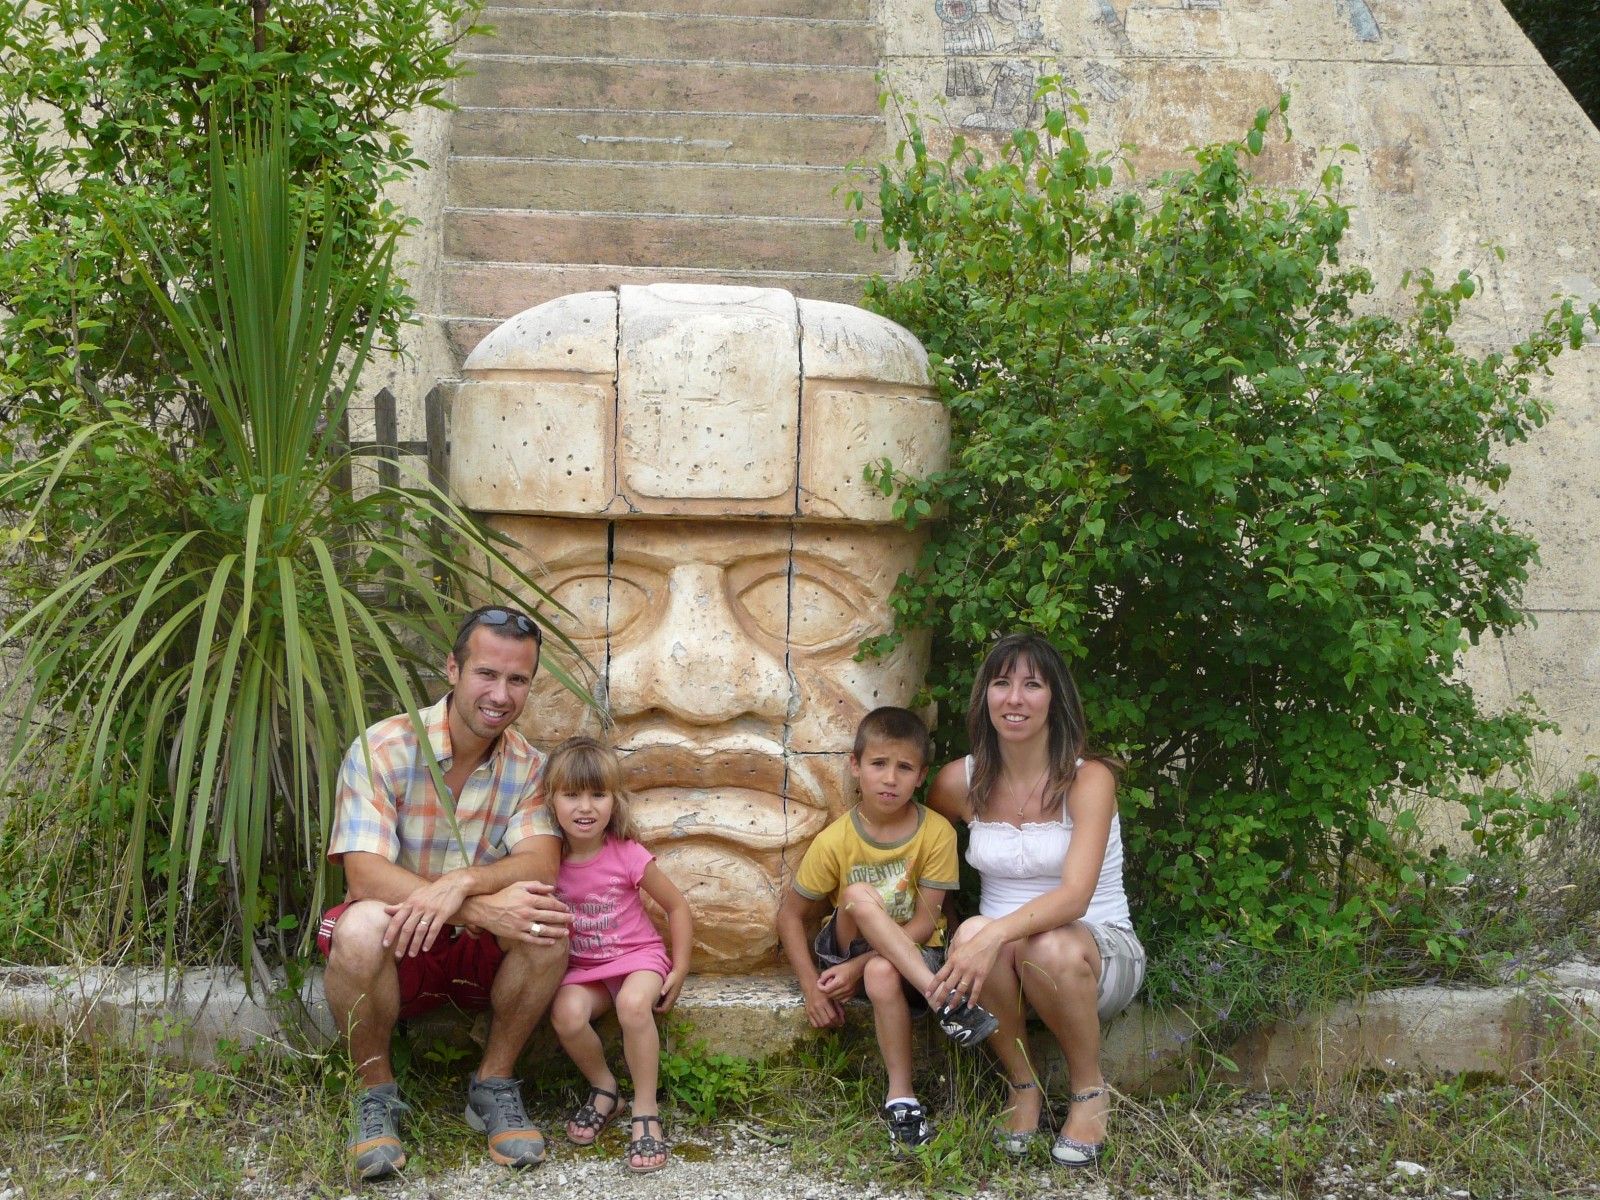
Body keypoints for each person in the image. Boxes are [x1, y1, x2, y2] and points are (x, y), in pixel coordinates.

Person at [319, 605, 572, 1181]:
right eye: (487, 673)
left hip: (476, 949)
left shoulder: (529, 766)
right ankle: (376, 1096)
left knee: (547, 924)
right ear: (452, 668)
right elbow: (364, 872)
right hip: (399, 938)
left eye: (517, 680)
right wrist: (477, 903)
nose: (500, 694)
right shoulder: (383, 747)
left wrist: (463, 883)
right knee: (356, 927)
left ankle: (493, 1083)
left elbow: (541, 860)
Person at [926, 631, 1146, 1168]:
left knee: (1038, 944)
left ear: (1055, 699)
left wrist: (992, 930)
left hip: (1093, 952)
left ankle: (1091, 1093)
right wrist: (952, 929)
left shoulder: (1087, 779)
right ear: (985, 697)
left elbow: (1074, 897)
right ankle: (1022, 1087)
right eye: (1002, 684)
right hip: (1000, 967)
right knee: (981, 934)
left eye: (1032, 685)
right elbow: (926, 860)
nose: (1015, 699)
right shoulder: (959, 781)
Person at [775, 706, 992, 1152]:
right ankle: (945, 1001)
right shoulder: (836, 839)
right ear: (856, 767)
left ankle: (901, 1099)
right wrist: (810, 988)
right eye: (878, 764)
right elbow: (790, 915)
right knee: (857, 893)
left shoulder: (935, 833)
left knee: (879, 973)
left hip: (914, 957)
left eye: (904, 767)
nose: (890, 778)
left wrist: (862, 966)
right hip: (846, 951)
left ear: (921, 776)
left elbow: (925, 923)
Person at [545, 736, 694, 1175]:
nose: (585, 807)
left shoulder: (626, 854)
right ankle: (605, 1088)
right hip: (586, 969)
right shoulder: (547, 860)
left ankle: (645, 1109)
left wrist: (680, 965)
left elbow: (677, 906)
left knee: (633, 1005)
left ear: (615, 799)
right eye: (571, 795)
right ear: (551, 801)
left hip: (638, 959)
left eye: (597, 794)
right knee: (566, 1014)